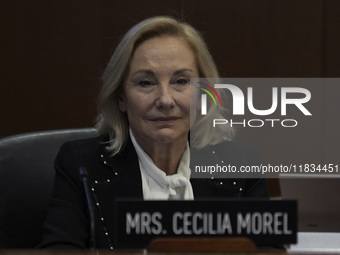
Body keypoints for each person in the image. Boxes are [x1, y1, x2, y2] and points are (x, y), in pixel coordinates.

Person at [39, 16, 268, 249]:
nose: (165, 100)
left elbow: (270, 249)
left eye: (180, 80)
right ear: (121, 98)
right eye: (146, 83)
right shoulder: (81, 165)